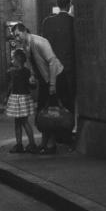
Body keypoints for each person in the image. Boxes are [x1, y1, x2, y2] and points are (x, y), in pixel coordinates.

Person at [11, 22, 63, 154]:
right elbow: (32, 63)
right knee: (42, 111)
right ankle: (45, 142)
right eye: (14, 36)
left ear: (24, 32)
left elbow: (52, 62)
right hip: (45, 80)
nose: (16, 38)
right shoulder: (26, 45)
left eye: (18, 35)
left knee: (51, 112)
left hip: (55, 77)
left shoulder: (40, 42)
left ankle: (51, 144)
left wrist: (52, 84)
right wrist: (33, 75)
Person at [41, 0, 77, 145]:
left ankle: (54, 135)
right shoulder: (73, 22)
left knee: (54, 103)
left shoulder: (48, 22)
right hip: (69, 69)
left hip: (52, 69)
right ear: (69, 5)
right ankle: (67, 134)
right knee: (68, 103)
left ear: (57, 4)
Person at [5, 48, 39, 154]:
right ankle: (32, 144)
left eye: (13, 59)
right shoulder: (27, 72)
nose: (11, 61)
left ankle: (19, 144)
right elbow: (31, 86)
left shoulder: (12, 72)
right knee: (25, 122)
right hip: (25, 98)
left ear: (17, 60)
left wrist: (6, 97)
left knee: (18, 123)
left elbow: (11, 86)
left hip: (16, 98)